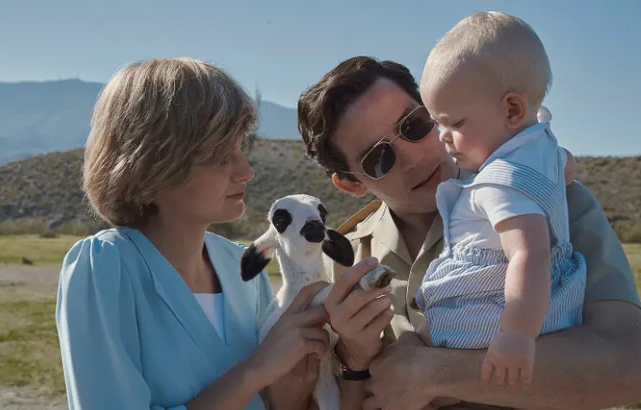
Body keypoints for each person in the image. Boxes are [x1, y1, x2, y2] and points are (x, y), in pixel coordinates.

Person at [297, 54, 641, 409]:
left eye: (414, 125)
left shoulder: (547, 200)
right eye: (378, 158)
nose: (413, 157)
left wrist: (437, 374)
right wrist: (355, 360)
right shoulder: (340, 261)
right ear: (351, 184)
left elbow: (630, 367)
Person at [54, 57, 391, 410]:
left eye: (240, 148)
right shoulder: (105, 267)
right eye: (219, 155)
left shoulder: (241, 267)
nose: (246, 171)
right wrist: (256, 371)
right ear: (153, 161)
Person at [413, 11, 587, 391]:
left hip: (496, 311)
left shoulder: (500, 183)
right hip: (555, 302)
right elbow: (568, 167)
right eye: (438, 123)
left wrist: (516, 336)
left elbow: (529, 254)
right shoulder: (544, 145)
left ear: (512, 110)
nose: (443, 136)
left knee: (413, 347)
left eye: (455, 123)